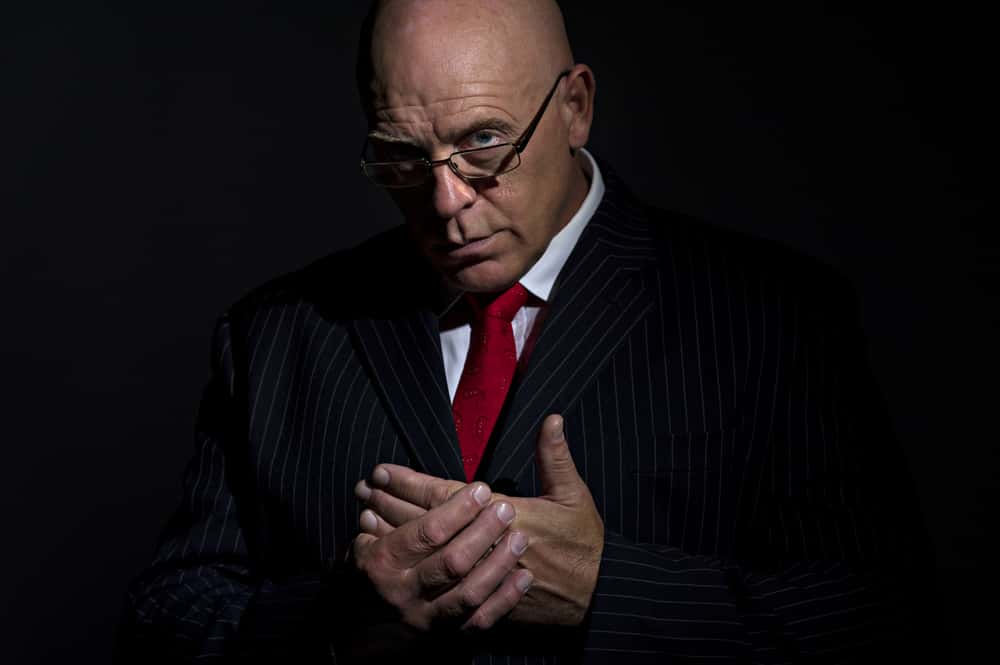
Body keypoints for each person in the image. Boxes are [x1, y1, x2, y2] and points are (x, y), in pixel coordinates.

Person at [117, 1, 931, 662]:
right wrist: (343, 615)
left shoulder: (774, 314)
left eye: (483, 142)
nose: (445, 202)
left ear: (575, 107)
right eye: (402, 155)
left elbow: (885, 622)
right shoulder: (274, 335)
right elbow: (164, 624)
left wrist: (607, 590)